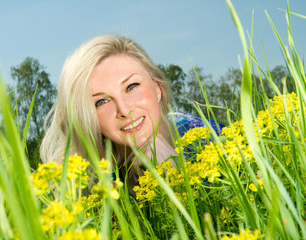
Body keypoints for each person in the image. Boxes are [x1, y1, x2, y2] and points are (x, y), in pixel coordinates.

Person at [40, 34, 221, 193]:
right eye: (101, 101)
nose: (124, 110)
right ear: (87, 117)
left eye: (131, 86)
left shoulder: (210, 138)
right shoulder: (94, 185)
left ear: (157, 88)